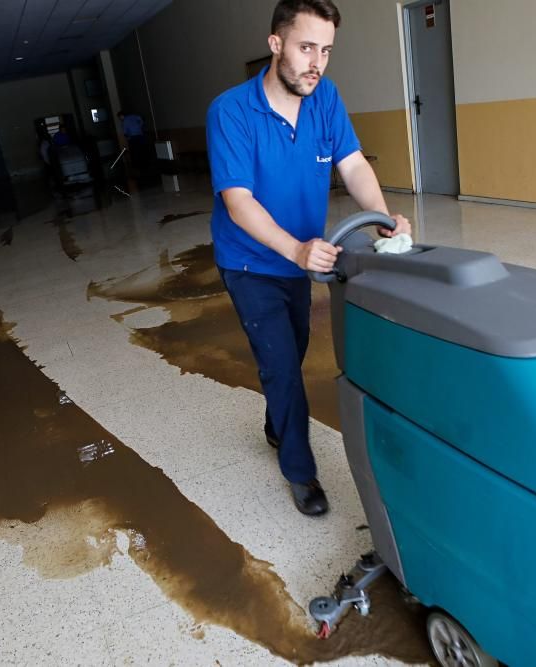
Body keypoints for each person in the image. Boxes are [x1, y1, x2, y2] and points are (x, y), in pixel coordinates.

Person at [206, 0, 411, 516]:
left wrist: (381, 216)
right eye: (305, 47)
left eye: (325, 50)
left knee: (290, 353)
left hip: (302, 261)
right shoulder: (230, 111)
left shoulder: (326, 99)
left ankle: (276, 424)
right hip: (251, 264)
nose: (316, 61)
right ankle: (300, 472)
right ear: (275, 45)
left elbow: (353, 163)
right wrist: (296, 250)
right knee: (282, 366)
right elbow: (239, 201)